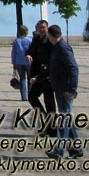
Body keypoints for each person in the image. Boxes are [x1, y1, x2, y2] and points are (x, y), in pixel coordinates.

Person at [46, 24, 82, 160]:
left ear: (51, 35)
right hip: (59, 88)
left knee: (63, 120)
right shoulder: (57, 47)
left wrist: (72, 89)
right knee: (67, 120)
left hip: (65, 90)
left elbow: (73, 68)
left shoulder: (62, 47)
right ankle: (76, 150)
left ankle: (58, 150)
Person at [26, 20, 57, 135]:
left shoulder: (50, 41)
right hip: (37, 75)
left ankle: (52, 129)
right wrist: (28, 54)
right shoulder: (36, 39)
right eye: (39, 28)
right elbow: (30, 50)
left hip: (47, 76)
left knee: (50, 104)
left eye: (43, 27)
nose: (41, 29)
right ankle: (46, 122)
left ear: (47, 28)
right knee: (32, 97)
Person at [11, 25, 32, 101]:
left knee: (22, 79)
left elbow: (13, 53)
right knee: (30, 79)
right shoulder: (29, 40)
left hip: (18, 62)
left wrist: (13, 63)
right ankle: (30, 95)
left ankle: (24, 96)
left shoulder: (16, 41)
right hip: (28, 62)